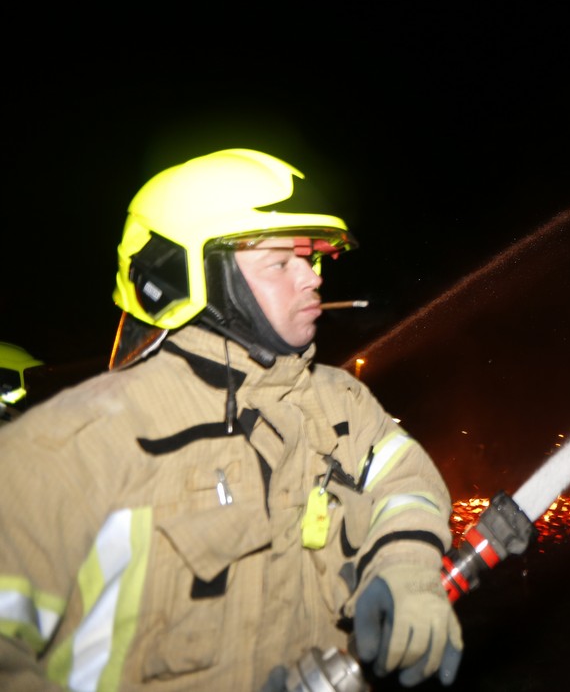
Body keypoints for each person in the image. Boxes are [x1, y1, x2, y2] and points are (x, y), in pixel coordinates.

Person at [0, 148, 462, 690]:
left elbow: (406, 485)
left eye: (309, 260)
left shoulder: (341, 403)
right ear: (190, 276)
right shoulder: (80, 440)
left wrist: (406, 566)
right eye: (280, 264)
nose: (312, 280)